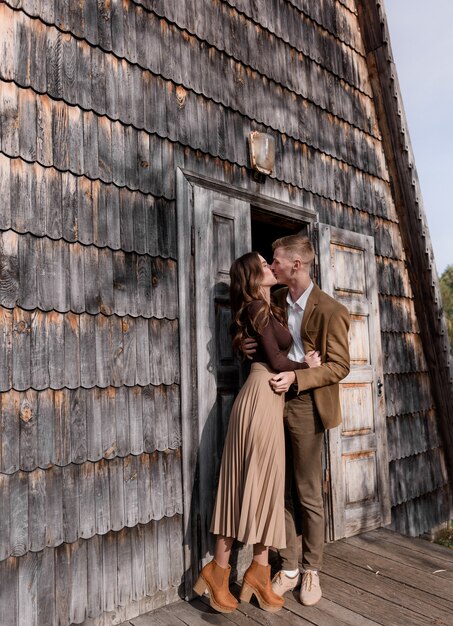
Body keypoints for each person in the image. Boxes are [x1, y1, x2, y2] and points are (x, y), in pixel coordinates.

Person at [193, 251, 321, 614]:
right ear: (252, 276)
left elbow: (262, 349)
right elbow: (278, 362)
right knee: (243, 484)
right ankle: (219, 571)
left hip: (268, 399)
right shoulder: (256, 308)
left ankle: (260, 571)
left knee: (266, 486)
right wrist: (305, 366)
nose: (270, 267)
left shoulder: (268, 306)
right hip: (260, 398)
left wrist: (242, 341)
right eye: (264, 265)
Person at [243, 235, 350, 607]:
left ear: (296, 266)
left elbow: (340, 366)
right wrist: (243, 343)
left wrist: (299, 377)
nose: (270, 266)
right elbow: (257, 334)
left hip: (305, 403)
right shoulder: (270, 300)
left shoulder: (331, 310)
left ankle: (311, 569)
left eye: (275, 261)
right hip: (272, 401)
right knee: (280, 487)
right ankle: (287, 566)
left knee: (306, 491)